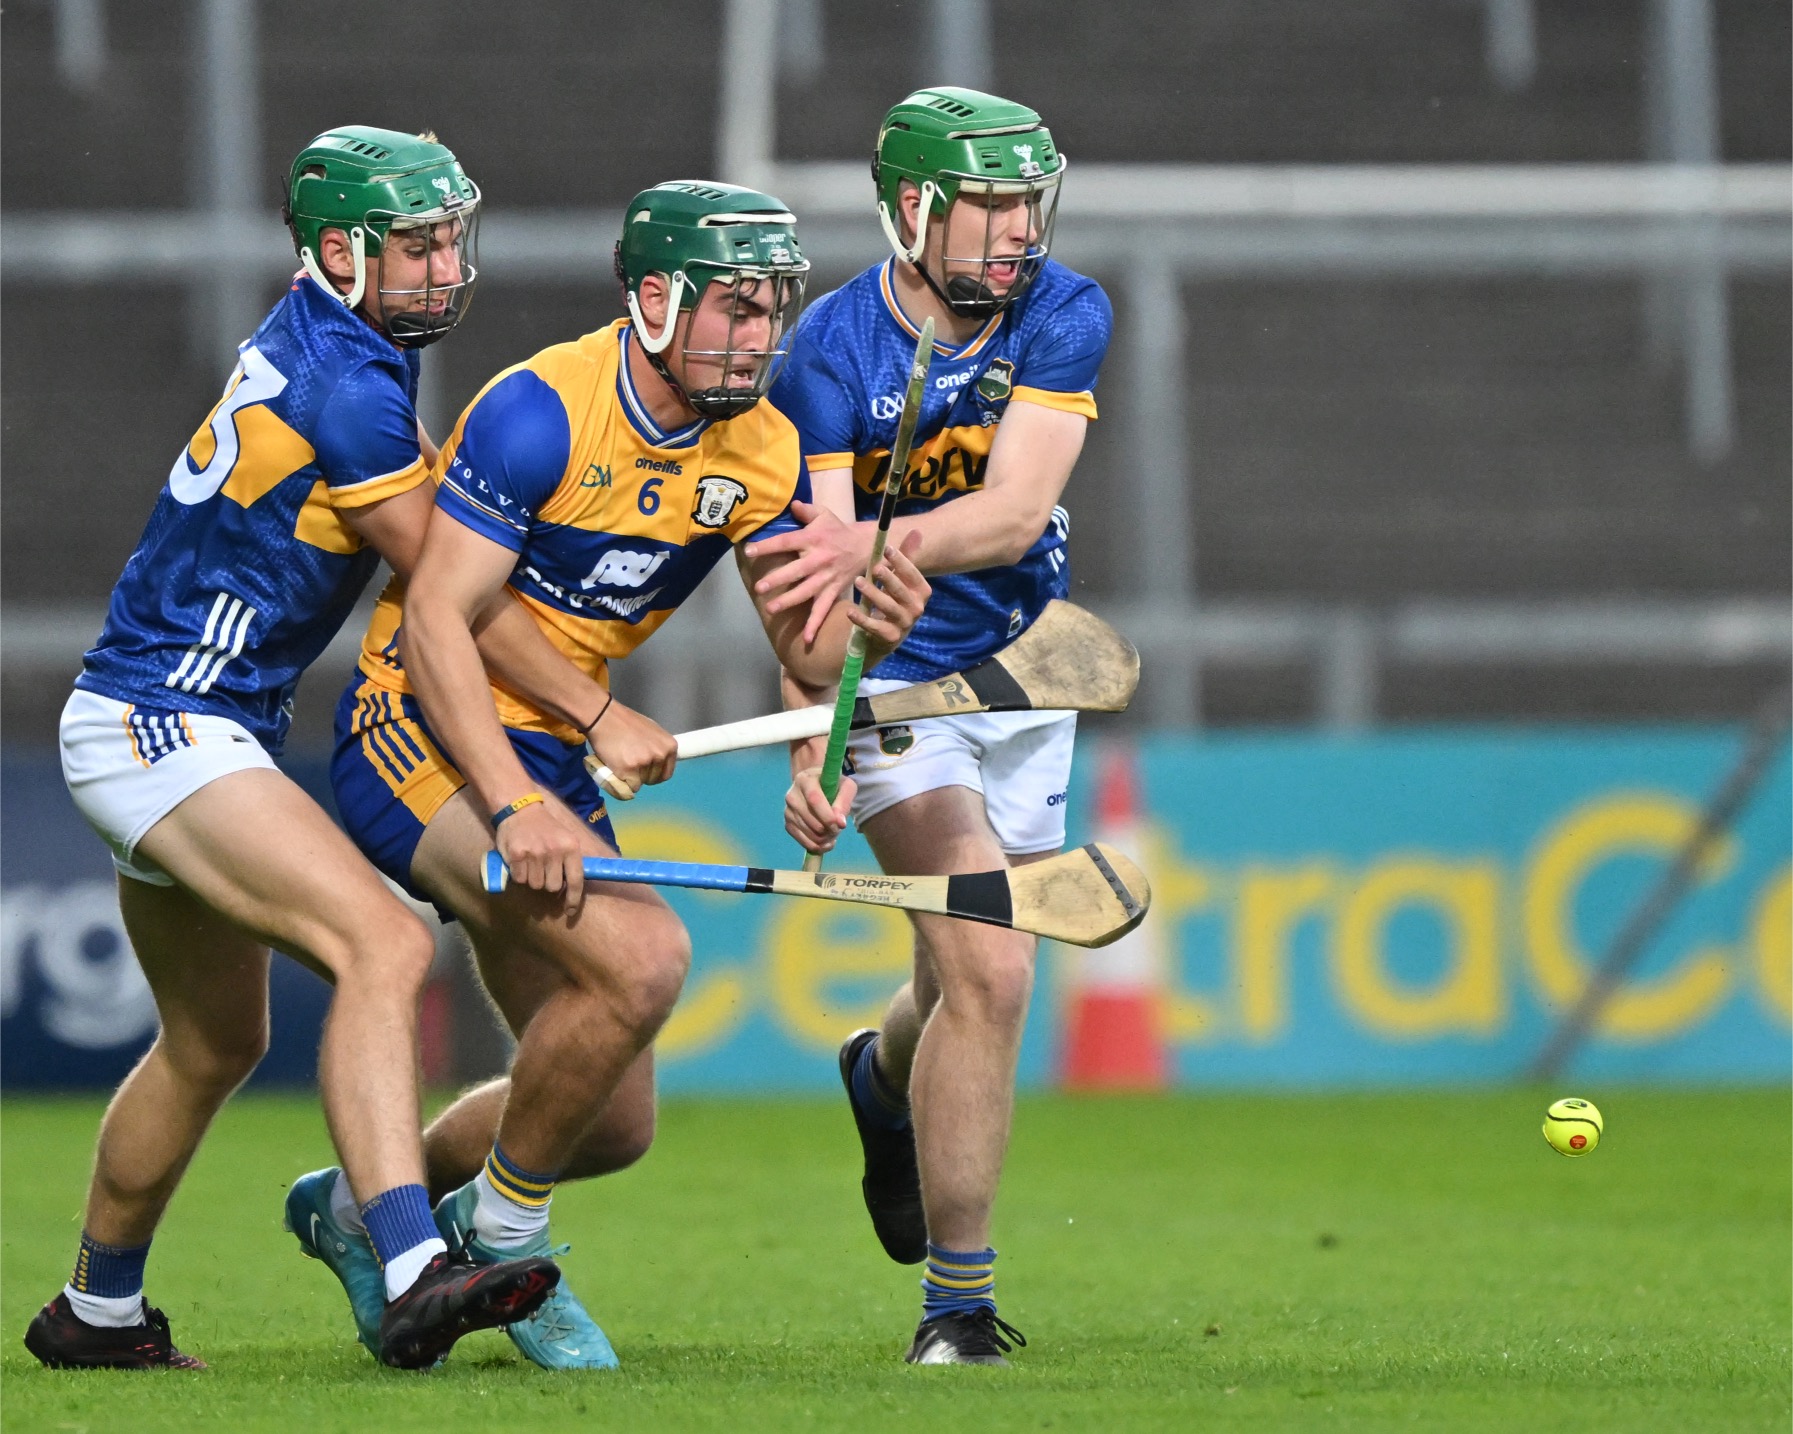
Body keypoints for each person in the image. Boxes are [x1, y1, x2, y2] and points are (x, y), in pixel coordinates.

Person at [291, 180, 931, 1371]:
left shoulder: (761, 446)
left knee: (610, 1120)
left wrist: (862, 650)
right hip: (416, 727)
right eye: (733, 308)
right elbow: (435, 621)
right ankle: (501, 1237)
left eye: (772, 308)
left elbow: (805, 650)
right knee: (645, 958)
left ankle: (360, 1203)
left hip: (546, 758)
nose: (758, 335)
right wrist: (522, 793)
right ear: (653, 301)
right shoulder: (539, 412)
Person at [26, 126, 565, 1373]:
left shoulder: (333, 341)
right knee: (383, 942)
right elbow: (447, 597)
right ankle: (415, 1264)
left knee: (216, 1043)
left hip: (156, 718)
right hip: (168, 720)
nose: (445, 267)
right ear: (337, 252)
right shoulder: (351, 389)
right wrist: (593, 708)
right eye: (415, 246)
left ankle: (96, 1313)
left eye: (449, 240)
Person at [755, 87, 1113, 1366]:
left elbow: (1014, 514)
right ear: (913, 211)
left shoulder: (1063, 311)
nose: (1020, 230)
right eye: (990, 206)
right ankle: (955, 1309)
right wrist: (812, 732)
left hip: (1022, 674)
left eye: (1029, 202)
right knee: (995, 970)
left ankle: (877, 1078)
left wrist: (881, 540)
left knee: (947, 979)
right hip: (897, 684)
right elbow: (814, 595)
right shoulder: (823, 356)